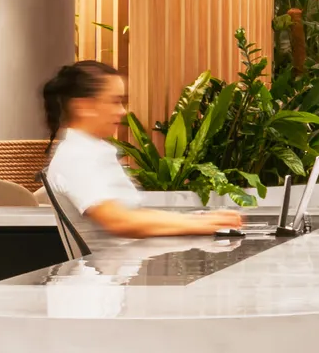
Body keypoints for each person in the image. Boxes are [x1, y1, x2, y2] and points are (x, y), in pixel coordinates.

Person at [41, 59, 250, 246]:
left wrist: (201, 220)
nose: (122, 111)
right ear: (83, 107)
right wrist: (203, 225)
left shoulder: (89, 151)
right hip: (103, 282)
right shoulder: (76, 158)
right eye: (115, 101)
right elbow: (119, 221)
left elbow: (132, 215)